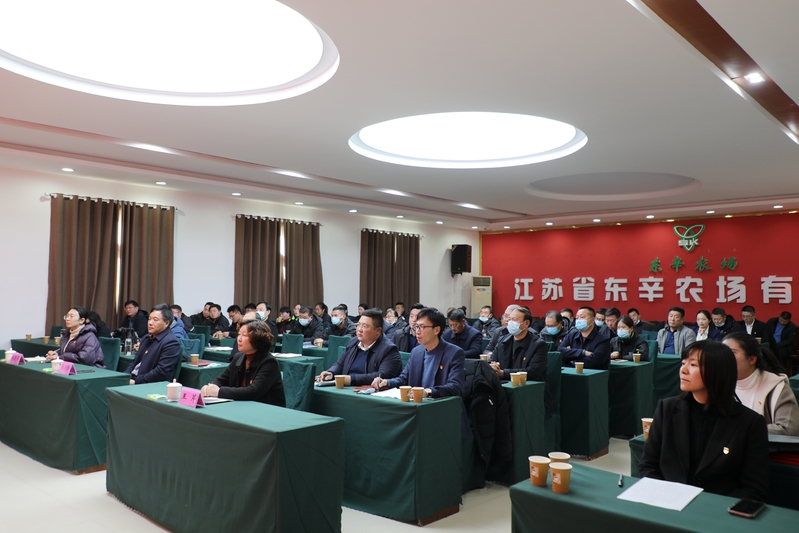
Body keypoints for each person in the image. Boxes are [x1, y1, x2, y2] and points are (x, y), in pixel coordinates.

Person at [638, 340, 769, 501]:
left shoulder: (750, 423)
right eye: (683, 363)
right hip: (666, 503)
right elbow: (648, 464)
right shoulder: (667, 408)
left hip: (717, 510)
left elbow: (755, 489)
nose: (683, 370)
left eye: (693, 365)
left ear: (718, 371)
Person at [372, 307, 465, 399]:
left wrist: (428, 392)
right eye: (417, 327)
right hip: (417, 403)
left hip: (440, 404)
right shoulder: (416, 352)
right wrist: (387, 382)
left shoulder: (454, 353)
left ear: (436, 330)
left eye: (422, 327)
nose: (417, 331)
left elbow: (456, 386)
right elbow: (404, 379)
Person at [723, 332, 799, 436]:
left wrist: (739, 430)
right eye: (723, 353)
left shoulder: (775, 387)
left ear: (752, 359)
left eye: (732, 353)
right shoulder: (719, 384)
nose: (724, 358)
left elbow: (789, 429)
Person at [201, 319, 285, 406]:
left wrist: (219, 392)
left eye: (244, 335)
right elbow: (222, 380)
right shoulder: (238, 357)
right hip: (242, 406)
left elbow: (253, 391)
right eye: (239, 334)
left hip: (265, 409)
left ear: (258, 339)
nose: (239, 339)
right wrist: (210, 387)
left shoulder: (269, 362)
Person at [489, 307, 551, 417]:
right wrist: (493, 367)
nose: (510, 322)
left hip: (529, 394)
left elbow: (533, 372)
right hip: (503, 390)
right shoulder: (503, 340)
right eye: (509, 319)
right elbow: (491, 361)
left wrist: (503, 373)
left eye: (514, 319)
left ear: (526, 323)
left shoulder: (538, 345)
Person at [317, 308, 401, 386]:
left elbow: (382, 375)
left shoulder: (389, 349)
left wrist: (352, 379)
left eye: (364, 326)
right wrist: (331, 372)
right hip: (346, 387)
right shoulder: (353, 342)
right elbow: (340, 364)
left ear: (378, 331)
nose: (359, 329)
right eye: (358, 325)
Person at [124, 304, 181, 384]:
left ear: (166, 323)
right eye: (149, 319)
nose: (150, 323)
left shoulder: (171, 342)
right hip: (134, 379)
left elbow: (161, 372)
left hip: (148, 385)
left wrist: (136, 381)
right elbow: (134, 362)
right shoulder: (146, 338)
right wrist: (124, 377)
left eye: (155, 320)